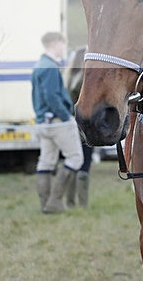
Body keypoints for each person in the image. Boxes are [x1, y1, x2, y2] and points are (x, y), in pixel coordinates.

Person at [31, 32, 83, 214]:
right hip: (58, 121)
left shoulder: (39, 65)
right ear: (55, 43)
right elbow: (52, 96)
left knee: (46, 162)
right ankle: (55, 201)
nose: (63, 48)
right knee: (75, 158)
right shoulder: (50, 67)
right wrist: (66, 116)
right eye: (62, 44)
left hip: (42, 122)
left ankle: (45, 204)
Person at [64, 46, 92, 208]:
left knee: (74, 162)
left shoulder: (69, 77)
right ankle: (82, 203)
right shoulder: (83, 80)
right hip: (83, 125)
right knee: (85, 164)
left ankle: (70, 201)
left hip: (71, 125)